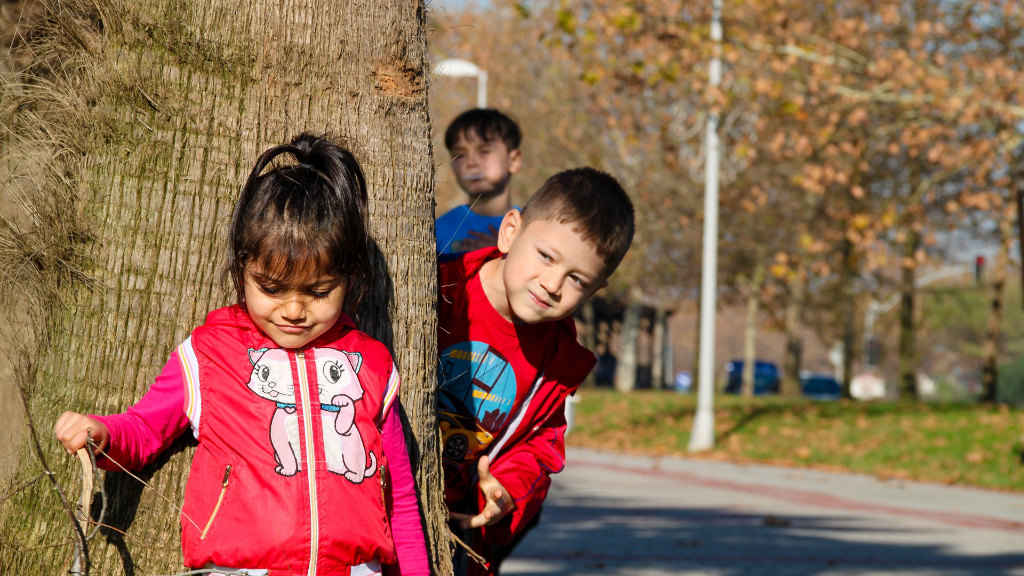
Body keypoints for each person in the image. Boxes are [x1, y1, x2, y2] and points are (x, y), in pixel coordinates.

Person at [54, 134, 430, 576]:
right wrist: (103, 435)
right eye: (271, 288)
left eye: (319, 292)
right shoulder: (208, 355)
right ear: (241, 270)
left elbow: (400, 499)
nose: (293, 310)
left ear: (349, 279)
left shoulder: (371, 366)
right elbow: (145, 429)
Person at [436, 167, 635, 575]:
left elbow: (540, 446)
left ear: (596, 290)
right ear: (510, 231)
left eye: (577, 279)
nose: (551, 284)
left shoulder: (557, 363)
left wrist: (506, 492)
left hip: (456, 534)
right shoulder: (439, 288)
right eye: (545, 256)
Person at [436, 108, 523, 255]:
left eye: (484, 151)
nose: (471, 163)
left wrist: (502, 255)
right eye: (460, 155)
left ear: (513, 160)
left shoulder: (530, 229)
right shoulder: (438, 231)